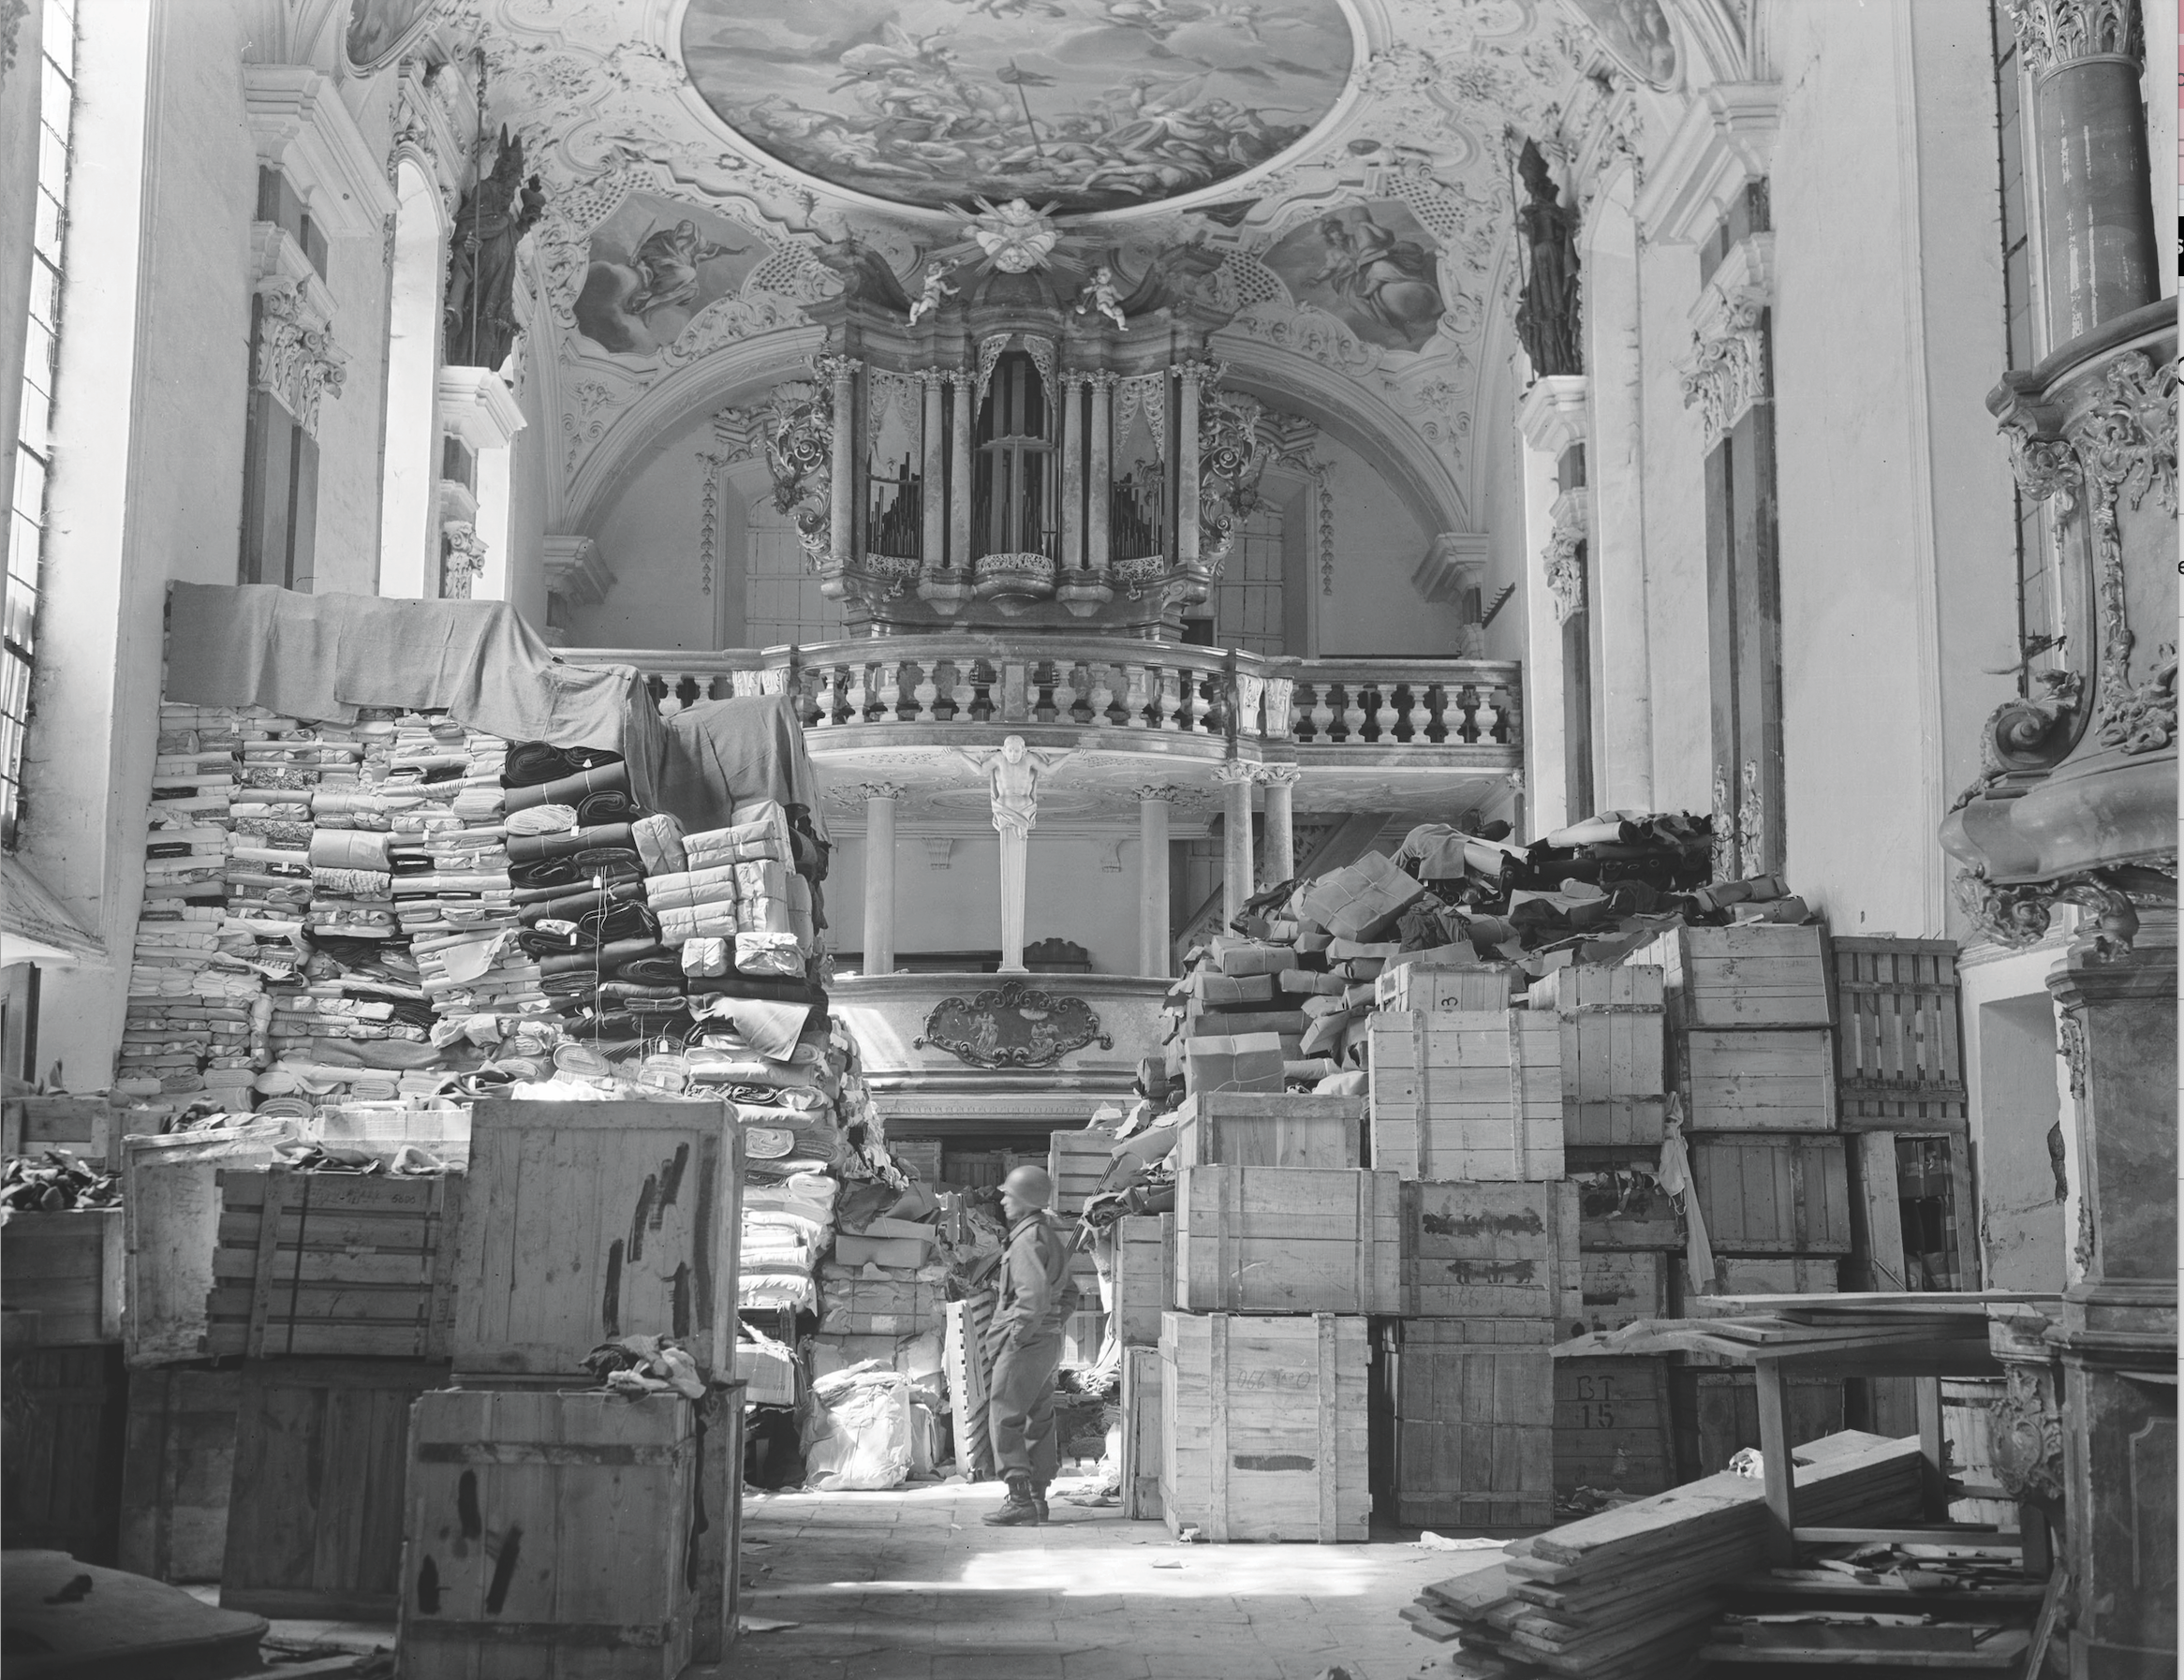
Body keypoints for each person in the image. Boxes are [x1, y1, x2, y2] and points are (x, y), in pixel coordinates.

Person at [983, 1162, 1080, 1525]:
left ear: (1025, 1199)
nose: (1004, 1199)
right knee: (1038, 1417)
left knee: (1004, 1416)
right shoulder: (1046, 1235)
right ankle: (1037, 1499)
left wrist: (1020, 1336)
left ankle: (1019, 1500)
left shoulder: (1025, 1241)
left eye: (1010, 1194)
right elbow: (1068, 1292)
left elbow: (1033, 1298)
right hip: (1047, 1342)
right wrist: (1051, 1327)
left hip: (1025, 1343)